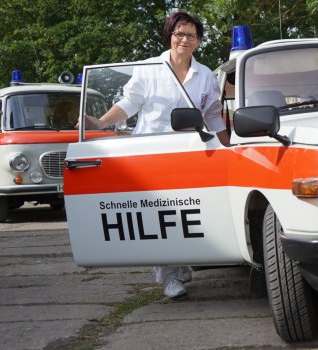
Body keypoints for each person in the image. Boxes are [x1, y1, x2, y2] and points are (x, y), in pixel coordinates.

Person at [85, 11, 229, 298]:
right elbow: (129, 104)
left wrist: (228, 148)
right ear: (170, 36)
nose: (184, 40)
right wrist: (100, 122)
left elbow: (213, 116)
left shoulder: (205, 75)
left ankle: (180, 260)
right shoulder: (149, 68)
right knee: (158, 214)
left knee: (185, 210)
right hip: (150, 151)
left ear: (198, 41)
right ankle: (167, 278)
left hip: (189, 152)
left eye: (191, 35)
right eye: (179, 34)